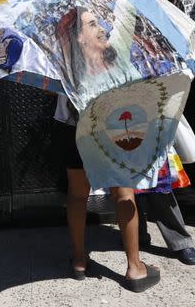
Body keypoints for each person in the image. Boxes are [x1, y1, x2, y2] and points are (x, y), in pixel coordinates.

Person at [56, 94, 160, 293]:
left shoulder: (56, 60)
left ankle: (79, 260)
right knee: (124, 194)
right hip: (114, 122)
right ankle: (135, 268)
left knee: (77, 195)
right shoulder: (116, 59)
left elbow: (48, 88)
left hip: (71, 123)